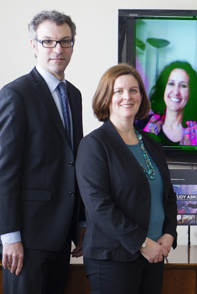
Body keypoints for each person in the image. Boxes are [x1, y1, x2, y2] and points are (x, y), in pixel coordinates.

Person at [0, 10, 85, 293]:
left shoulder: (74, 95)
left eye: (65, 41)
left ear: (73, 44)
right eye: (48, 42)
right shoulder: (15, 94)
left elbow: (73, 162)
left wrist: (80, 221)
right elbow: (3, 172)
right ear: (34, 45)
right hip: (27, 238)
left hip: (62, 235)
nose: (58, 49)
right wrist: (10, 237)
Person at [76, 64, 178, 294]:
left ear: (141, 97)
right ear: (106, 98)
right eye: (118, 91)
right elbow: (99, 206)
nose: (127, 97)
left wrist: (169, 234)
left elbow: (168, 195)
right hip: (114, 258)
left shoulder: (152, 142)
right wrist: (142, 242)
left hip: (154, 256)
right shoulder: (94, 145)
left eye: (134, 90)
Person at [141, 61, 197, 145]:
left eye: (183, 86)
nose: (176, 92)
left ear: (191, 92)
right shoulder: (142, 124)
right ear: (163, 88)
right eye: (171, 84)